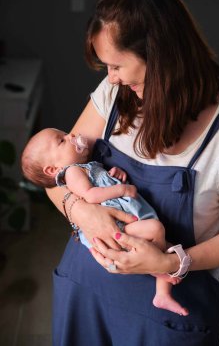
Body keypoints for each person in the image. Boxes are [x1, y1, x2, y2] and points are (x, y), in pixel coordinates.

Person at [45, 0, 219, 346]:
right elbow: (56, 176)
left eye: (117, 65)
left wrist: (169, 263)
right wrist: (82, 213)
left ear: (161, 56)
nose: (110, 78)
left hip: (165, 321)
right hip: (86, 295)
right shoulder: (114, 93)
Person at [21, 127, 189, 316]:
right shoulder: (71, 172)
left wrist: (114, 175)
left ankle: (162, 293)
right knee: (156, 230)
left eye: (66, 133)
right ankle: (157, 272)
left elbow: (100, 183)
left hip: (124, 222)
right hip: (117, 228)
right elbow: (91, 195)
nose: (71, 136)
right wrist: (122, 190)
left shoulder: (87, 166)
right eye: (62, 140)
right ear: (52, 169)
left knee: (168, 248)